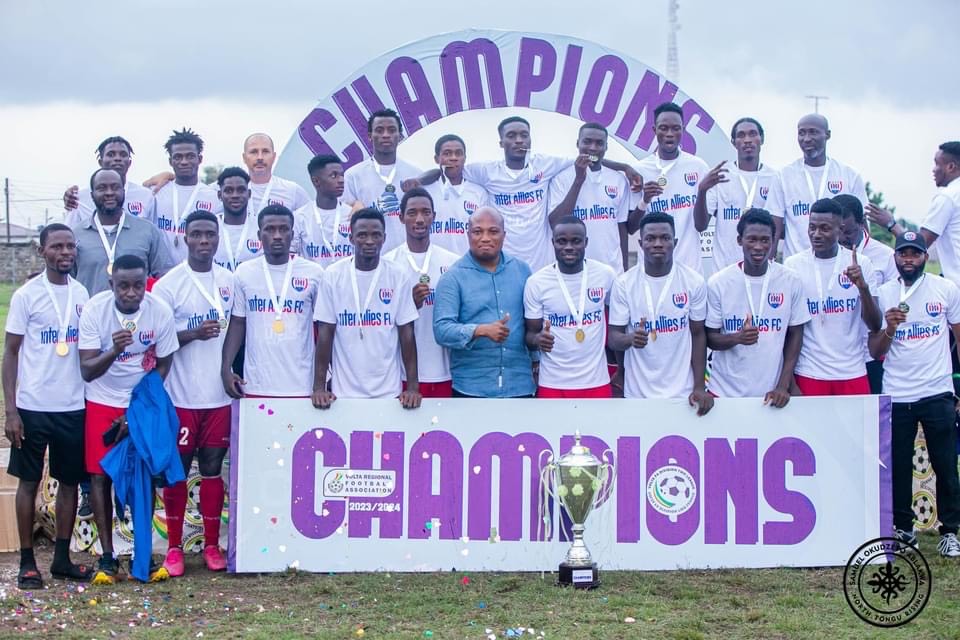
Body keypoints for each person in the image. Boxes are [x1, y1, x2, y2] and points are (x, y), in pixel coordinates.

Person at [409, 117, 639, 271]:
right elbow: (449, 167)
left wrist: (624, 167)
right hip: (504, 263)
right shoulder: (487, 171)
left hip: (542, 263)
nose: (519, 140)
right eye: (511, 135)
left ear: (530, 139)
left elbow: (588, 157)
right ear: (501, 142)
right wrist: (419, 180)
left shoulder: (545, 164)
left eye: (524, 135)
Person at [78, 254, 178, 584]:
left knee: (143, 478)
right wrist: (114, 350)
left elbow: (164, 363)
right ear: (112, 284)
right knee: (100, 478)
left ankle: (142, 554)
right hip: (102, 401)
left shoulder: (159, 310)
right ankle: (107, 557)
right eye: (123, 286)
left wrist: (137, 409)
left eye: (138, 285)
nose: (131, 293)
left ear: (146, 282)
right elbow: (87, 370)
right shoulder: (95, 310)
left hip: (140, 403)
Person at [3, 224, 92, 589]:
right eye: (56, 246)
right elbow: (10, 353)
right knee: (29, 482)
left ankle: (61, 559)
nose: (65, 252)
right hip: (32, 406)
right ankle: (27, 562)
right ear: (42, 251)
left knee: (69, 483)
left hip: (72, 405)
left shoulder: (82, 293)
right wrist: (11, 411)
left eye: (70, 246)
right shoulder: (27, 296)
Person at [151, 211, 234, 576]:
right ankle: (174, 548)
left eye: (210, 235)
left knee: (213, 470)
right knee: (178, 473)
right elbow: (157, 341)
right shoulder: (169, 285)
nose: (204, 241)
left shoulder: (229, 281)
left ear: (217, 238)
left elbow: (237, 330)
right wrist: (192, 334)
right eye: (197, 234)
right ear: (184, 237)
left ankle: (212, 545)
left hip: (218, 397)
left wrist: (231, 370)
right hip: (181, 396)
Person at [868, 231, 960, 557]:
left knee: (945, 464)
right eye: (903, 254)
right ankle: (904, 530)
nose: (908, 259)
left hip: (937, 391)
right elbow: (875, 350)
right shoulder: (884, 294)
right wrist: (890, 328)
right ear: (895, 258)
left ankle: (950, 532)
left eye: (915, 254)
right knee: (898, 467)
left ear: (924, 256)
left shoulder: (945, 289)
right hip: (897, 393)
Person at [313, 208, 421, 408]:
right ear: (351, 238)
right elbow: (325, 333)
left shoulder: (398, 275)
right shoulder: (333, 275)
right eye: (362, 235)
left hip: (389, 392)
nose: (369, 241)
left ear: (384, 238)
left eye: (376, 235)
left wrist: (413, 388)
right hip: (343, 393)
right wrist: (319, 387)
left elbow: (406, 333)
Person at [607, 212, 712, 414]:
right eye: (650, 238)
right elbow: (613, 338)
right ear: (640, 243)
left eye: (665, 238)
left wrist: (699, 386)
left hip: (682, 393)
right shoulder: (624, 284)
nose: (657, 244)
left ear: (675, 242)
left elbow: (698, 334)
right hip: (637, 394)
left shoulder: (694, 282)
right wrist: (630, 339)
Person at [705, 210, 809, 404]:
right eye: (752, 240)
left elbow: (796, 334)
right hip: (725, 392)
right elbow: (710, 338)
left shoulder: (790, 281)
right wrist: (737, 338)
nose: (758, 247)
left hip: (771, 393)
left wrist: (783, 384)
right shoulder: (718, 283)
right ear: (739, 240)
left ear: (773, 241)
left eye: (765, 240)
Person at [221, 204, 323, 399]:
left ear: (292, 234)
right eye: (270, 229)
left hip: (302, 384)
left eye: (283, 229)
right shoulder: (244, 272)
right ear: (259, 235)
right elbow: (238, 323)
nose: (277, 236)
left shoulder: (314, 273)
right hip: (257, 384)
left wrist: (321, 381)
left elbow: (324, 328)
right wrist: (226, 368)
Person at [433, 207, 534, 397]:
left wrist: (537, 357)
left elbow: (531, 324)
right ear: (468, 235)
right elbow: (442, 330)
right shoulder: (452, 277)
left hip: (519, 385)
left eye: (493, 231)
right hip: (472, 389)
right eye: (478, 232)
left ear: (504, 235)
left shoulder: (522, 271)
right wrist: (480, 330)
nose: (485, 238)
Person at [783, 198, 881, 395]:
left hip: (852, 371)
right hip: (809, 372)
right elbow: (788, 329)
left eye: (825, 228)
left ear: (840, 229)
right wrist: (789, 382)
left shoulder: (861, 264)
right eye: (812, 227)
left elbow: (875, 325)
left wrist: (862, 287)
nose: (816, 234)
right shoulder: (793, 266)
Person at [524, 216, 616, 397]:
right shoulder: (536, 282)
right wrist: (537, 340)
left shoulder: (605, 275)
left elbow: (617, 321)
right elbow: (530, 334)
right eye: (561, 241)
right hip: (553, 382)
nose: (568, 247)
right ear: (553, 243)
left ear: (586, 242)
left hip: (596, 381)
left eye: (576, 241)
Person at [384, 189, 459, 397]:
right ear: (401, 217)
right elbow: (381, 319)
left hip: (445, 371)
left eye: (425, 212)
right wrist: (409, 305)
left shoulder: (452, 262)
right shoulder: (388, 263)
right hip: (402, 374)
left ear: (434, 216)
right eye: (412, 213)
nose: (419, 219)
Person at [769, 114, 867, 258]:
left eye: (813, 132)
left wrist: (859, 259)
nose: (807, 138)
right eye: (801, 133)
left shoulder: (849, 175)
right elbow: (774, 228)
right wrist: (770, 265)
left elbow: (863, 225)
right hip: (796, 265)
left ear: (827, 134)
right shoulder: (783, 176)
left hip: (840, 265)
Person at [548, 123, 642, 273]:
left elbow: (621, 228)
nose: (593, 148)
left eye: (599, 143)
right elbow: (556, 223)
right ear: (578, 143)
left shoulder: (618, 180)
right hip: (575, 270)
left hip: (611, 269)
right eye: (587, 142)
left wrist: (624, 269)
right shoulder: (561, 179)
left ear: (606, 147)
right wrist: (579, 180)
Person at [867, 142, 960, 287]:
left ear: (951, 167)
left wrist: (891, 224)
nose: (933, 170)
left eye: (937, 164)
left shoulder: (948, 197)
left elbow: (919, 244)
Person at [694, 117, 781, 270]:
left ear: (762, 139)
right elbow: (700, 226)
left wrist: (769, 263)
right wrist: (702, 191)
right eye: (741, 135)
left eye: (752, 134)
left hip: (760, 269)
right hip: (724, 269)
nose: (747, 140)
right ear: (733, 142)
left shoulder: (775, 178)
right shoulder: (721, 176)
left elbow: (777, 228)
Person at [72, 168, 174, 295]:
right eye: (102, 188)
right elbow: (67, 281)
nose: (109, 193)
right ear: (92, 195)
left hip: (138, 308)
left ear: (124, 192)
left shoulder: (148, 231)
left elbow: (165, 278)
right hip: (90, 307)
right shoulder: (76, 235)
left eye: (115, 187)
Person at [638, 102, 712, 273]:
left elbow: (702, 226)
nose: (669, 134)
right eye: (663, 128)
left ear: (683, 130)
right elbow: (632, 226)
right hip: (651, 270)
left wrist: (702, 191)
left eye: (676, 128)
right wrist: (644, 200)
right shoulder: (640, 170)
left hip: (690, 268)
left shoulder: (698, 166)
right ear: (654, 130)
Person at [836, 193, 896, 394]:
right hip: (837, 357)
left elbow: (892, 303)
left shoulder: (886, 256)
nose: (842, 237)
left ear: (862, 223)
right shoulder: (825, 255)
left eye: (848, 232)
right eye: (838, 230)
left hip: (872, 355)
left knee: (873, 411)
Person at [341, 109, 421, 254]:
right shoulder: (353, 176)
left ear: (400, 136)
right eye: (379, 130)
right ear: (370, 136)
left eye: (391, 130)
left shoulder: (414, 174)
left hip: (407, 255)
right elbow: (344, 221)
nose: (385, 135)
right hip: (369, 256)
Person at [151, 128, 221, 262]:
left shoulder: (214, 197)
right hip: (161, 271)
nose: (184, 161)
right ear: (170, 161)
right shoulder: (157, 192)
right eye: (178, 157)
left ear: (200, 159)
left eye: (190, 156)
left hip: (198, 270)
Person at [63, 136, 156, 227]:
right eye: (111, 154)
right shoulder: (78, 198)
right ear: (100, 162)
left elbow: (153, 232)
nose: (117, 158)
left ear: (129, 163)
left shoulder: (145, 196)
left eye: (123, 155)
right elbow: (70, 231)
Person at [423, 134, 488, 256]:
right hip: (433, 262)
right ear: (437, 159)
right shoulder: (425, 192)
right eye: (447, 153)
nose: (453, 158)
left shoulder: (479, 193)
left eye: (458, 153)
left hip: (468, 263)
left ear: (465, 158)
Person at [293, 154, 354, 267]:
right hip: (313, 278)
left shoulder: (352, 215)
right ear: (316, 181)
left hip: (347, 277)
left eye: (342, 175)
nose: (341, 180)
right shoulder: (299, 217)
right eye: (334, 176)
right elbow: (293, 258)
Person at [242, 133, 310, 213]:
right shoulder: (234, 191)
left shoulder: (293, 190)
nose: (260, 157)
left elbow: (311, 218)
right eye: (254, 152)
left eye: (265, 151)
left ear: (274, 157)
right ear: (244, 158)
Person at [213, 166, 261, 272]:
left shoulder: (260, 226)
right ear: (219, 195)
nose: (235, 195)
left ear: (249, 194)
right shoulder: (211, 226)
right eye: (229, 191)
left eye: (241, 190)